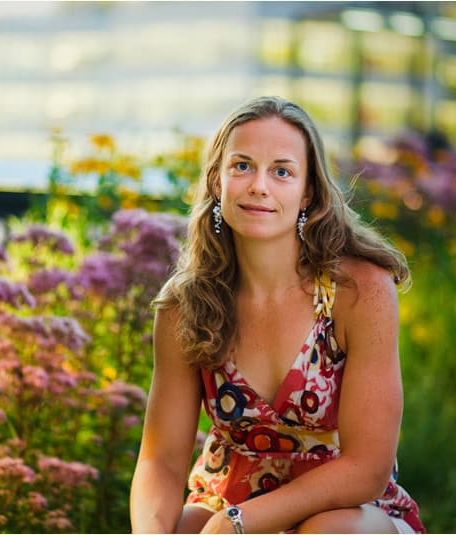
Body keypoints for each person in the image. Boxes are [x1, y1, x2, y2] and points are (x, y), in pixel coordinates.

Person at [130, 96, 425, 534]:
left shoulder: (358, 290)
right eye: (242, 166)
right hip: (228, 496)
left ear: (308, 190)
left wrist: (238, 523)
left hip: (349, 511)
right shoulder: (186, 304)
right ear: (217, 181)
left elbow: (367, 467)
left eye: (281, 171)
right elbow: (162, 461)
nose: (259, 186)